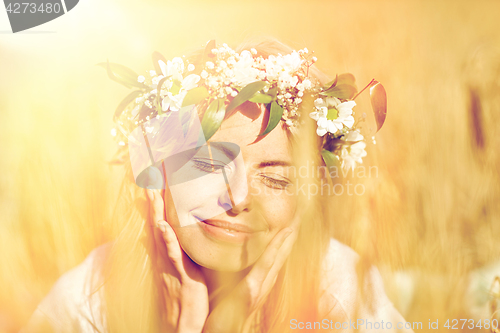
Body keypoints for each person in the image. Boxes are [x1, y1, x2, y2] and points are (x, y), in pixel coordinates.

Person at [23, 38, 414, 333]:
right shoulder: (85, 303)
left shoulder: (342, 293)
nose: (239, 197)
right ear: (157, 172)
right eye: (209, 164)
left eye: (277, 178)